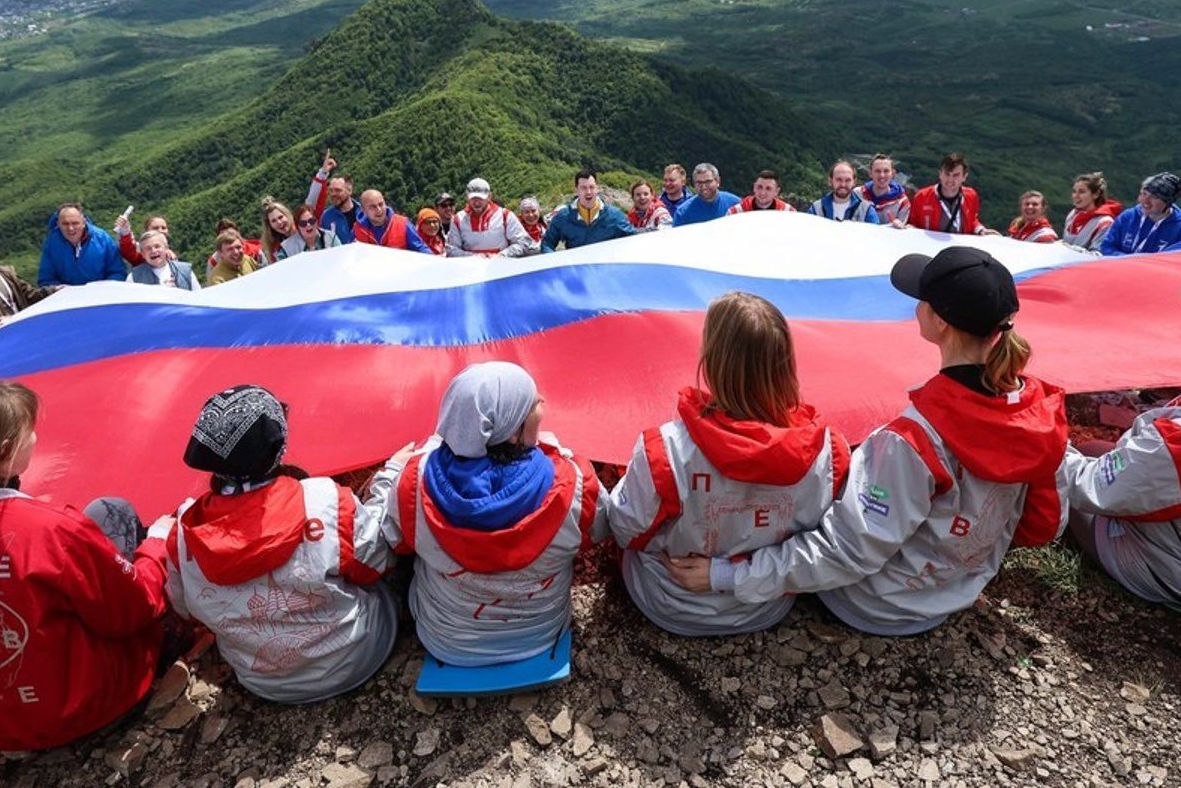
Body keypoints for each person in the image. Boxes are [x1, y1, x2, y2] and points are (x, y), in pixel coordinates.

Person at [664, 247, 1078, 635]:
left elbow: (847, 551)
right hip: (958, 588)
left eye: (922, 297)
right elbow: (1044, 523)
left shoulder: (908, 442)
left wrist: (728, 576)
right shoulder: (1040, 412)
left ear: (938, 322)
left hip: (877, 605)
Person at [0, 381, 172, 752]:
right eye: (29, 431)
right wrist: (156, 547)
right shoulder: (50, 528)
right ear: (5, 451)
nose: (35, 438)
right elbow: (133, 609)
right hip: (78, 707)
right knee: (112, 512)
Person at [608, 293, 848, 636]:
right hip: (766, 606)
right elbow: (826, 539)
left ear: (712, 362)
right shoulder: (830, 453)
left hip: (669, 602)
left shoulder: (666, 449)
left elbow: (624, 529)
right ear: (786, 362)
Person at [164, 386, 398, 702]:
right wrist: (389, 479)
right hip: (357, 656)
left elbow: (183, 607)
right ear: (276, 448)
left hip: (268, 684)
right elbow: (378, 564)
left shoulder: (183, 535)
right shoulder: (326, 501)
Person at [367, 362, 608, 666]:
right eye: (533, 403)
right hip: (541, 635)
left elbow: (385, 538)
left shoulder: (413, 485)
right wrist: (562, 454)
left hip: (447, 640)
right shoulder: (574, 484)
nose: (543, 403)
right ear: (512, 432)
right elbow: (598, 531)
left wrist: (391, 471)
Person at [1064, 403, 1181, 606]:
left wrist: (1040, 434)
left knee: (1068, 490)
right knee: (1092, 449)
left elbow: (1086, 488)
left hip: (1169, 571)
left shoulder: (1174, 446)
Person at [541, 172, 636, 251]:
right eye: (583, 188)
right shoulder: (563, 216)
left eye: (592, 187)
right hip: (576, 270)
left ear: (597, 188)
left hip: (605, 269)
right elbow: (547, 243)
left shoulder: (614, 215)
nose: (588, 192)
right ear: (576, 190)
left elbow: (633, 239)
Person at [37, 203, 126, 287]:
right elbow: (46, 279)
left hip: (100, 296)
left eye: (75, 223)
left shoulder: (103, 239)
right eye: (65, 224)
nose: (70, 228)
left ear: (84, 222)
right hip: (66, 298)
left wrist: (104, 288)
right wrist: (58, 289)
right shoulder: (52, 243)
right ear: (58, 224)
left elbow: (118, 272)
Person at [906, 153, 996, 236]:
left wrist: (980, 230)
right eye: (947, 174)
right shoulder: (922, 196)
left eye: (956, 175)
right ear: (940, 174)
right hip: (930, 248)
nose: (950, 180)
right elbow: (913, 222)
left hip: (960, 248)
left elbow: (972, 220)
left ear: (964, 177)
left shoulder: (971, 196)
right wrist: (909, 228)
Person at [446, 179, 536, 258]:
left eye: (481, 198)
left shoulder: (505, 215)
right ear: (466, 197)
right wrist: (474, 258)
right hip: (471, 271)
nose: (477, 202)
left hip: (503, 268)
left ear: (489, 196)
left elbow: (523, 242)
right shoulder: (457, 219)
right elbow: (452, 250)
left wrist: (501, 256)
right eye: (473, 198)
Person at [1101, 173, 1181, 257]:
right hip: (1119, 267)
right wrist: (1127, 262)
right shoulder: (1128, 216)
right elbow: (1107, 247)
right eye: (1144, 194)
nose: (1145, 201)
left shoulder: (1178, 228)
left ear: (1168, 202)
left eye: (1154, 197)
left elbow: (1172, 262)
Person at [306, 150, 364, 245]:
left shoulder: (364, 212)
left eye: (338, 190)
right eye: (331, 190)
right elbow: (310, 204)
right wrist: (322, 174)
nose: (333, 194)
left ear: (349, 191)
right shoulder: (326, 217)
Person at [353, 190, 432, 253]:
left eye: (381, 204)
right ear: (364, 210)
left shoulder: (403, 224)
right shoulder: (357, 230)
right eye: (372, 207)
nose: (379, 210)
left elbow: (421, 249)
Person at [1062, 172, 1119, 252]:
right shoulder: (1072, 215)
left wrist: (1066, 248)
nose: (1075, 196)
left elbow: (1098, 255)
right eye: (1074, 191)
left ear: (1096, 194)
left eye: (1081, 192)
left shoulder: (1105, 223)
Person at [807, 162, 880, 224]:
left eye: (847, 180)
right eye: (839, 180)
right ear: (830, 181)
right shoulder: (816, 209)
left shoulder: (866, 211)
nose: (843, 185)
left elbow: (876, 235)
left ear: (854, 182)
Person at [127, 231, 201, 290]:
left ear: (166, 248)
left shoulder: (185, 271)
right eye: (148, 248)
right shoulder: (134, 277)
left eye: (157, 246)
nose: (153, 251)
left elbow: (198, 297)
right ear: (142, 254)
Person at [673, 164, 740, 227]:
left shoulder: (736, 204)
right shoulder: (683, 213)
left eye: (708, 182)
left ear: (718, 181)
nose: (704, 187)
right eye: (699, 183)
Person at [859, 155, 910, 227]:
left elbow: (901, 233)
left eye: (886, 171)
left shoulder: (902, 202)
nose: (882, 175)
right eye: (877, 171)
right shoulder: (858, 194)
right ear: (870, 173)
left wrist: (898, 225)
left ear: (893, 174)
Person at [276, 204, 341, 259]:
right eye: (303, 223)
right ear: (297, 226)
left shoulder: (331, 238)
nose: (308, 225)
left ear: (317, 221)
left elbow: (341, 258)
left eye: (311, 221)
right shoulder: (286, 248)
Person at [728, 170, 796, 215]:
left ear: (776, 191)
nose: (762, 193)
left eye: (768, 188)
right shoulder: (736, 213)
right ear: (754, 187)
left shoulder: (788, 213)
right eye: (759, 187)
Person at [258, 199, 298, 266]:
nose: (279, 222)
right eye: (274, 221)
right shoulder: (275, 249)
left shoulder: (304, 230)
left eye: (280, 217)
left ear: (287, 215)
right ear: (270, 226)